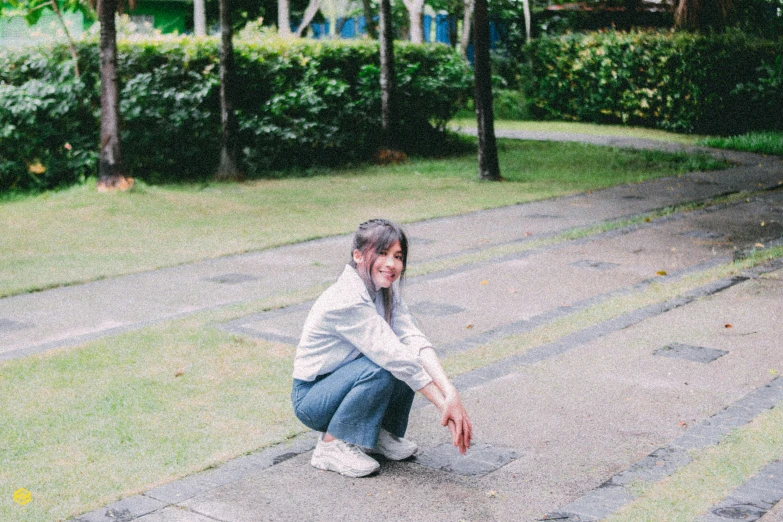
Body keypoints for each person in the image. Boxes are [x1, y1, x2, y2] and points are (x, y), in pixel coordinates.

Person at [291, 218, 472, 477]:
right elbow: (393, 356)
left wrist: (449, 390)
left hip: (342, 382)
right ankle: (331, 444)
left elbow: (412, 338)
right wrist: (444, 406)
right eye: (382, 253)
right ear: (358, 256)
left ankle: (374, 434)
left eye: (398, 256)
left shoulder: (385, 287)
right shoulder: (347, 299)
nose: (391, 264)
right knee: (387, 364)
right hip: (312, 399)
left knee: (402, 357)